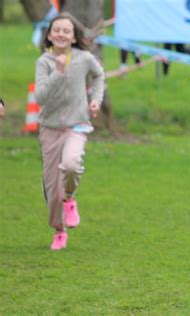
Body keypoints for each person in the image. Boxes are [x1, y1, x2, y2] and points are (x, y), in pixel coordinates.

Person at [35, 13, 104, 250]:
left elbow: (99, 76)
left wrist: (95, 99)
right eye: (57, 30)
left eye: (66, 31)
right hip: (49, 130)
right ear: (50, 35)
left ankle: (70, 198)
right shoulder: (44, 62)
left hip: (76, 125)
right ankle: (59, 230)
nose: (61, 34)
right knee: (53, 188)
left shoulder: (84, 58)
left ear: (74, 36)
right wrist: (58, 71)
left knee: (72, 163)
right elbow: (40, 97)